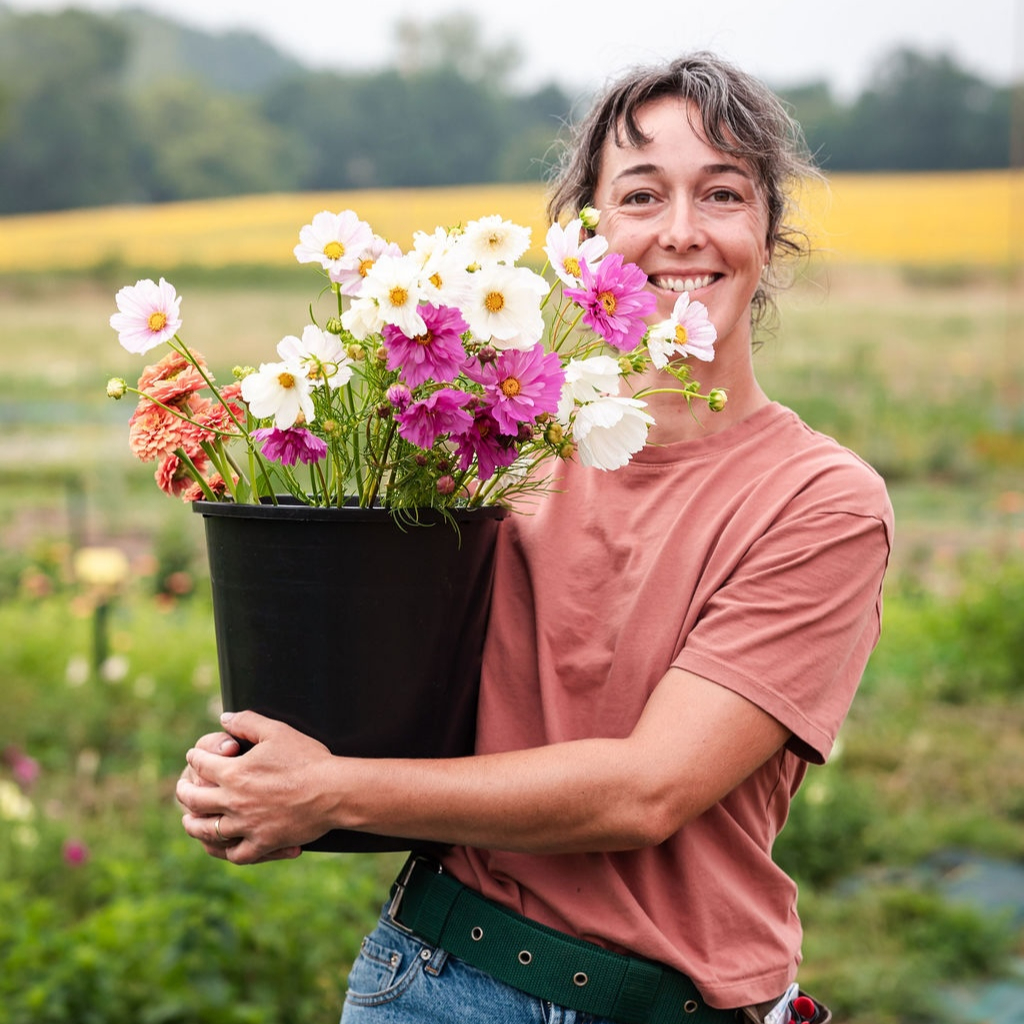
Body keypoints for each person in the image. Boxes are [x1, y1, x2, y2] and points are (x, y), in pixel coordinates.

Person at [176, 52, 893, 1024]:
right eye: (641, 195)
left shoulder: (817, 500)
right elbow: (384, 690)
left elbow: (648, 790)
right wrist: (260, 772)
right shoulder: (497, 453)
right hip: (435, 984)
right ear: (585, 238)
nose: (682, 231)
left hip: (669, 1004)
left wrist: (332, 788)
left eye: (723, 193)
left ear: (769, 233)